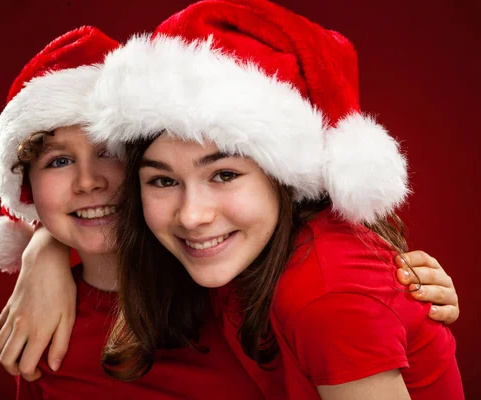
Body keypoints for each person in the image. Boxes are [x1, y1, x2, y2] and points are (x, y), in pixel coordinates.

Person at [78, 0, 464, 398]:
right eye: (162, 181)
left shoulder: (325, 293)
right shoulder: (245, 254)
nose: (192, 215)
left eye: (224, 174)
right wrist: (44, 255)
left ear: (284, 179)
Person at [0, 26, 264, 399]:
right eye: (59, 161)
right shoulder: (40, 328)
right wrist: (43, 246)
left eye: (110, 152)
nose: (88, 181)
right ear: (27, 187)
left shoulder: (230, 279)